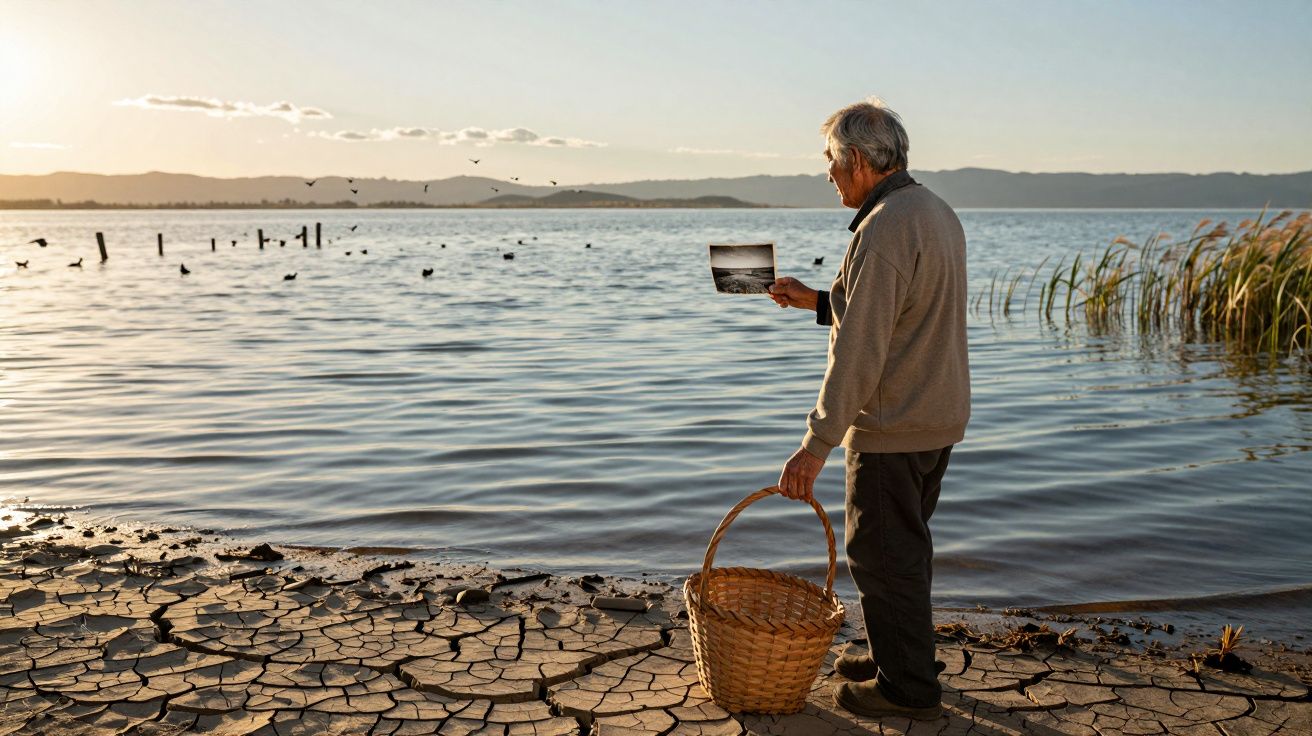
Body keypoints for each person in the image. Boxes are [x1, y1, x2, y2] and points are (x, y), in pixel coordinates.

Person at [767, 97, 970, 721]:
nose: (827, 173)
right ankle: (900, 656)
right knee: (903, 550)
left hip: (892, 422)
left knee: (881, 557)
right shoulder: (932, 211)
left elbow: (861, 349)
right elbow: (894, 314)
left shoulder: (883, 228)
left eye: (831, 161)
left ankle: (907, 688)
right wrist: (814, 302)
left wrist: (817, 442)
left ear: (857, 160)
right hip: (935, 415)